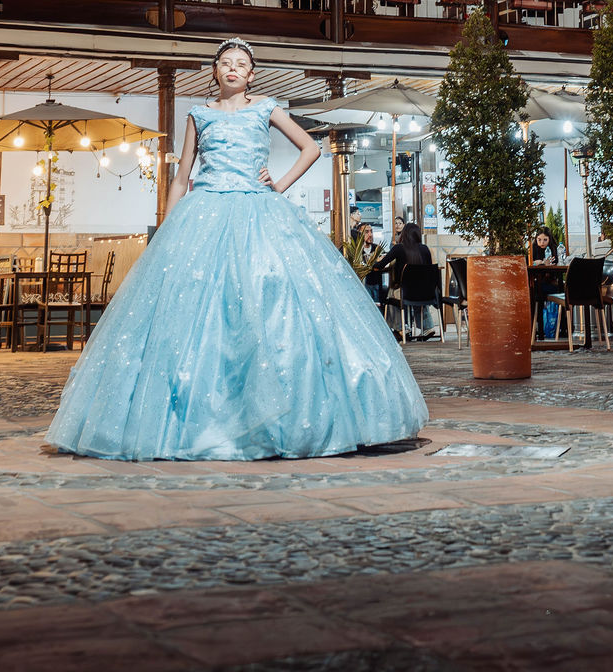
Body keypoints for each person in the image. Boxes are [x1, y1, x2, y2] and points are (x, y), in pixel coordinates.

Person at [46, 38, 427, 461]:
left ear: (250, 74)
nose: (232, 68)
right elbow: (181, 175)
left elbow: (312, 147)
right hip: (203, 212)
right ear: (214, 71)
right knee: (197, 311)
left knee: (268, 299)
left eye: (240, 64)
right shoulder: (199, 115)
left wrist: (277, 185)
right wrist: (168, 231)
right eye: (225, 62)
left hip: (258, 210)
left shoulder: (266, 107)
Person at [375, 222, 436, 340]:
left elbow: (381, 264)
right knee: (417, 292)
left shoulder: (398, 248)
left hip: (404, 292)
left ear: (404, 234)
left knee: (392, 293)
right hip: (425, 292)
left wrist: (373, 264)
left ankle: (402, 327)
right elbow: (429, 269)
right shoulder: (425, 249)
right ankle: (428, 327)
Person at [530, 227, 563, 339]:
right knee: (536, 293)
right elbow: (529, 263)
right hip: (535, 283)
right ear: (536, 239)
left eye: (545, 240)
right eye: (539, 239)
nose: (542, 242)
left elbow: (557, 264)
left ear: (549, 239)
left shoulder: (553, 249)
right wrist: (537, 263)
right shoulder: (533, 249)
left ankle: (560, 328)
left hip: (550, 283)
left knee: (556, 290)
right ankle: (539, 328)